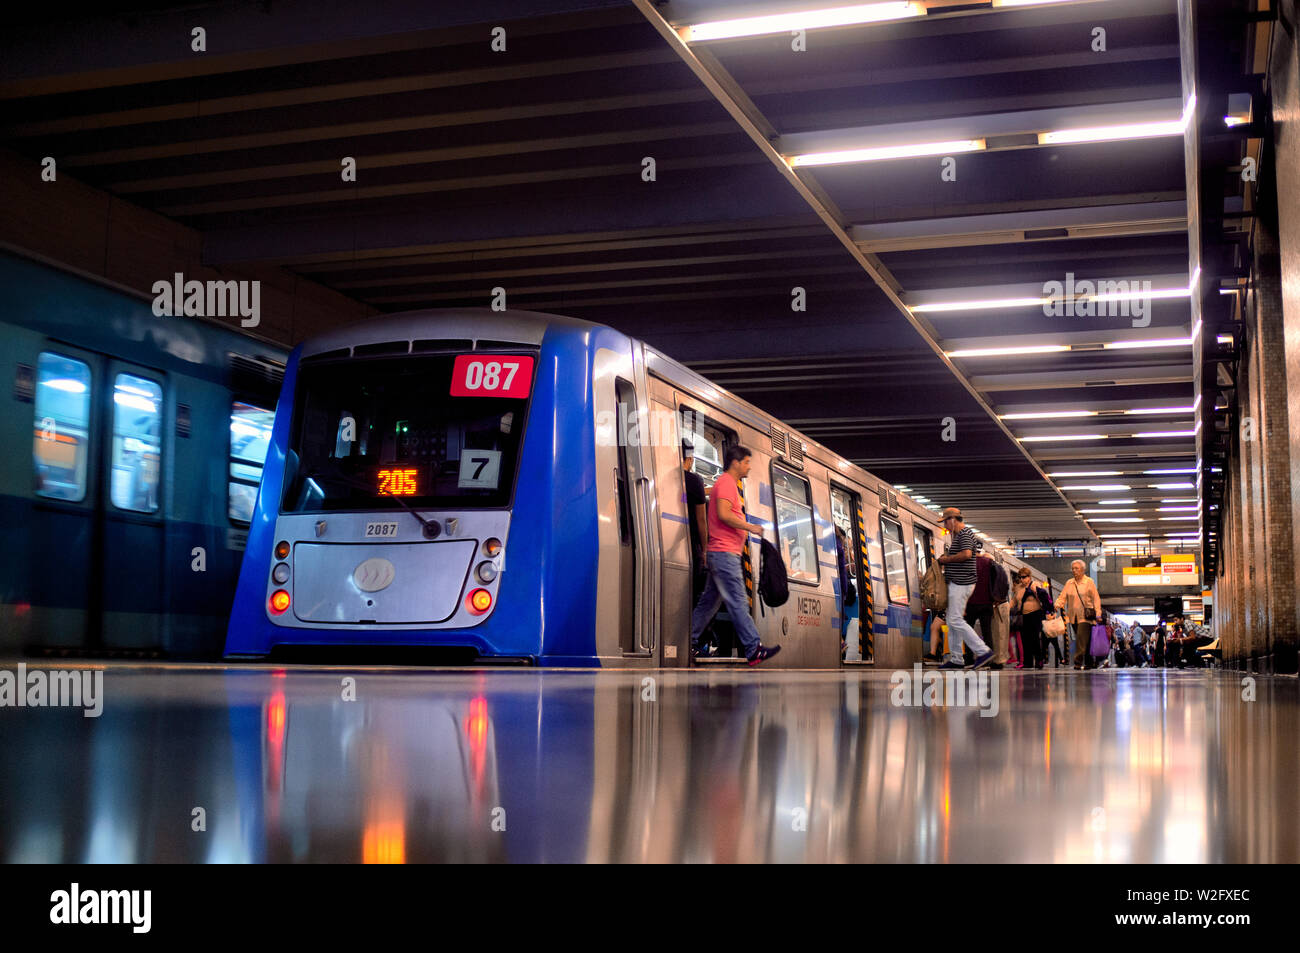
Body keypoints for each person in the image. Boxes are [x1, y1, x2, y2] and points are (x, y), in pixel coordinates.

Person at [689, 445, 781, 666]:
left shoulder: (726, 483)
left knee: (709, 602)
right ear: (736, 463)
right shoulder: (727, 483)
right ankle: (753, 648)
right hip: (724, 553)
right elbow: (723, 514)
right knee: (738, 601)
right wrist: (750, 527)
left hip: (722, 553)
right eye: (747, 462)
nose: (749, 467)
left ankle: (688, 640)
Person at [936, 508, 993, 670]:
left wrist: (946, 560)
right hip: (958, 582)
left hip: (962, 582)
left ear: (953, 519)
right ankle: (957, 658)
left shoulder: (965, 534)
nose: (946, 525)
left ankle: (983, 651)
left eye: (946, 521)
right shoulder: (959, 536)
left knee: (955, 619)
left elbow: (967, 554)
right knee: (951, 620)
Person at [682, 442, 712, 646]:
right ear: (690, 459)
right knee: (694, 596)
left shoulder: (669, 478)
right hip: (691, 546)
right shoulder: (694, 481)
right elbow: (702, 521)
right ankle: (694, 643)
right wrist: (705, 550)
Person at [1055, 559, 1102, 670]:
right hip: (1073, 617)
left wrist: (1098, 613)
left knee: (1081, 639)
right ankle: (1089, 662)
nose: (1074, 571)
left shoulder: (1089, 581)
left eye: (1076, 568)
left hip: (1085, 616)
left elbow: (1096, 598)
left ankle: (1077, 662)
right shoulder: (1069, 583)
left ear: (1083, 570)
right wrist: (1057, 605)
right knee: (1085, 640)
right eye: (1073, 568)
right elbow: (1063, 597)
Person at [1012, 567, 1050, 669]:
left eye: (1024, 577)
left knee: (1035, 639)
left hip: (1035, 614)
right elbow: (1014, 601)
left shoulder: (1035, 585)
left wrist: (1035, 592)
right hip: (1024, 616)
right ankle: (1028, 662)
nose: (1021, 579)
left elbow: (1043, 598)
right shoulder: (1018, 588)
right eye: (1020, 577)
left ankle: (1039, 661)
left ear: (1029, 577)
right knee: (1025, 639)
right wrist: (1004, 609)